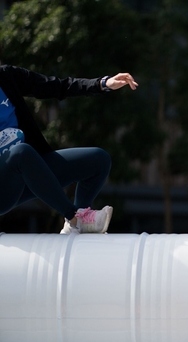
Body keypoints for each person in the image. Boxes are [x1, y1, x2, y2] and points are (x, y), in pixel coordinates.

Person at [0, 64, 138, 234]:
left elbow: (58, 86)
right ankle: (75, 217)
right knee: (21, 152)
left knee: (98, 160)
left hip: (31, 174)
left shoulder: (6, 76)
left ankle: (74, 225)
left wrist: (103, 83)